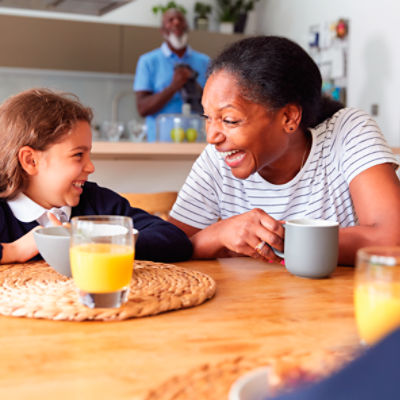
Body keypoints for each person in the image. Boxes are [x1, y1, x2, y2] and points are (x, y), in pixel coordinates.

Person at [168, 36, 400, 265]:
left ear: (288, 117)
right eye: (208, 117)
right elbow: (168, 246)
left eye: (229, 120)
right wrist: (220, 234)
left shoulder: (347, 131)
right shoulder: (218, 159)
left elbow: (391, 239)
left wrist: (281, 239)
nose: (212, 137)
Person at [0, 88, 192, 264]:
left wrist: (94, 242)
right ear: (30, 161)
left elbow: (174, 239)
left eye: (88, 154)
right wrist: (14, 250)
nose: (91, 167)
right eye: (78, 155)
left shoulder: (98, 202)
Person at [133, 8, 210, 142]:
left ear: (187, 27)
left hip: (199, 144)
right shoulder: (148, 62)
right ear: (162, 31)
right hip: (160, 145)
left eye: (181, 19)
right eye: (170, 20)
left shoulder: (205, 62)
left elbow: (214, 108)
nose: (176, 23)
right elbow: (142, 109)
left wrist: (194, 86)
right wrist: (174, 86)